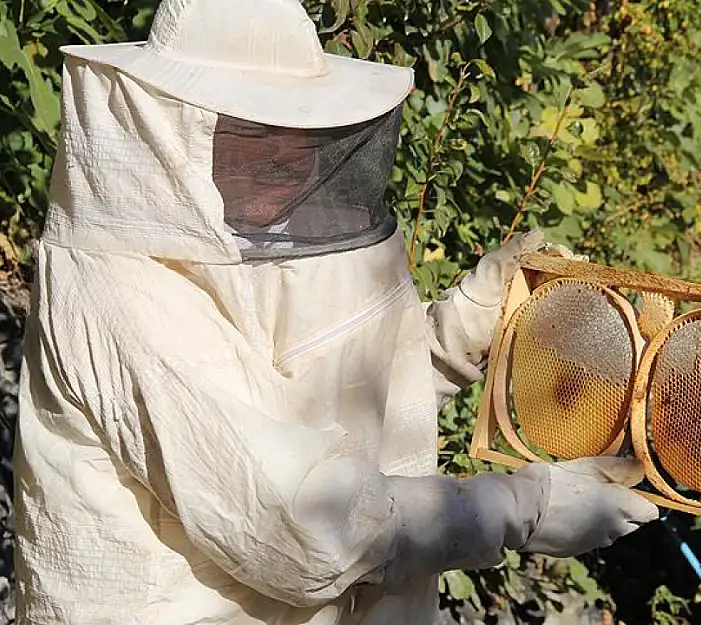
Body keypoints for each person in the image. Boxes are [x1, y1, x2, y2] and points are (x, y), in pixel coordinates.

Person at [12, 0, 658, 623]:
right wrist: (524, 507)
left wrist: (461, 327)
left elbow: (317, 392)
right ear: (177, 133)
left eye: (297, 127)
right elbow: (296, 518)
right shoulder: (122, 292)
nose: (285, 155)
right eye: (251, 128)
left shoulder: (240, 241)